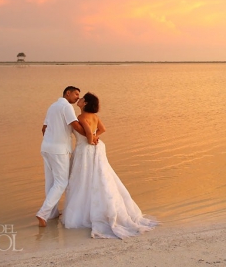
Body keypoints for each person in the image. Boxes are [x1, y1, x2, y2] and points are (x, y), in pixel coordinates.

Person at [62, 92, 158, 238]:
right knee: (99, 177)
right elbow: (103, 129)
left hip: (86, 149)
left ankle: (85, 211)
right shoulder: (95, 117)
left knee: (84, 179)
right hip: (98, 149)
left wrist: (91, 138)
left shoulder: (81, 117)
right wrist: (96, 135)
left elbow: (88, 133)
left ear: (85, 103)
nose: (79, 100)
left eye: (81, 99)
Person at [36, 86, 88, 227]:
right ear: (68, 93)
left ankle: (52, 214)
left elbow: (44, 128)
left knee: (51, 182)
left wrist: (50, 141)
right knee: (61, 182)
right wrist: (91, 136)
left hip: (46, 148)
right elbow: (75, 126)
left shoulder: (52, 106)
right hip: (59, 150)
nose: (78, 97)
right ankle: (43, 213)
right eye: (76, 94)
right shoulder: (66, 107)